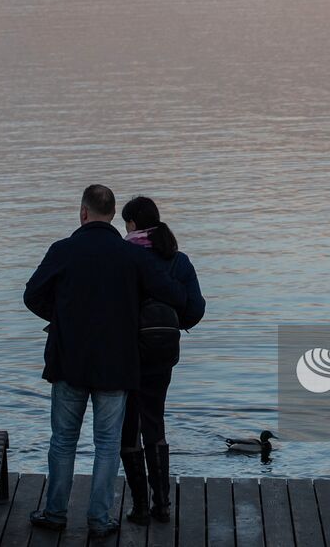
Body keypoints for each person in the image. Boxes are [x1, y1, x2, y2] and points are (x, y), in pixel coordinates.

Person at [23, 184, 187, 537]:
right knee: (108, 444)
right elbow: (174, 295)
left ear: (83, 213)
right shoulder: (132, 256)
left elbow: (32, 295)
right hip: (117, 363)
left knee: (63, 441)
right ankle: (99, 519)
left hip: (69, 362)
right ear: (113, 215)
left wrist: (64, 318)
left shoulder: (63, 250)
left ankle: (55, 513)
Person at [118, 196, 206, 524]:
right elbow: (195, 310)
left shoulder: (124, 257)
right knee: (154, 421)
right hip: (162, 352)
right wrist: (169, 321)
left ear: (132, 224)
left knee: (128, 427)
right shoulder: (178, 260)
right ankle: (163, 505)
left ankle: (140, 507)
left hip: (126, 352)